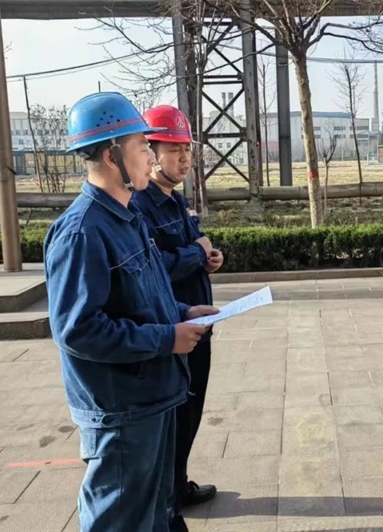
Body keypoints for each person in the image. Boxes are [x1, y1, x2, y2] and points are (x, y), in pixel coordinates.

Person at [44, 92, 218, 532]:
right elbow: (79, 330)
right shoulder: (82, 233)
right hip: (123, 410)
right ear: (111, 154)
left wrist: (182, 312)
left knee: (158, 513)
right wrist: (167, 338)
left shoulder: (126, 218)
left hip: (154, 396)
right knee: (120, 520)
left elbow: (145, 294)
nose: (151, 157)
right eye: (143, 146)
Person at [131, 105, 221, 527]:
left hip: (196, 323)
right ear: (150, 153)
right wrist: (196, 253)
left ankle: (178, 483)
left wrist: (210, 257)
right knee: (175, 415)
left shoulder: (176, 200)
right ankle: (168, 496)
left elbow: (193, 247)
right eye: (174, 150)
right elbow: (153, 268)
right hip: (172, 327)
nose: (184, 159)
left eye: (187, 150)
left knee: (192, 411)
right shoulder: (141, 205)